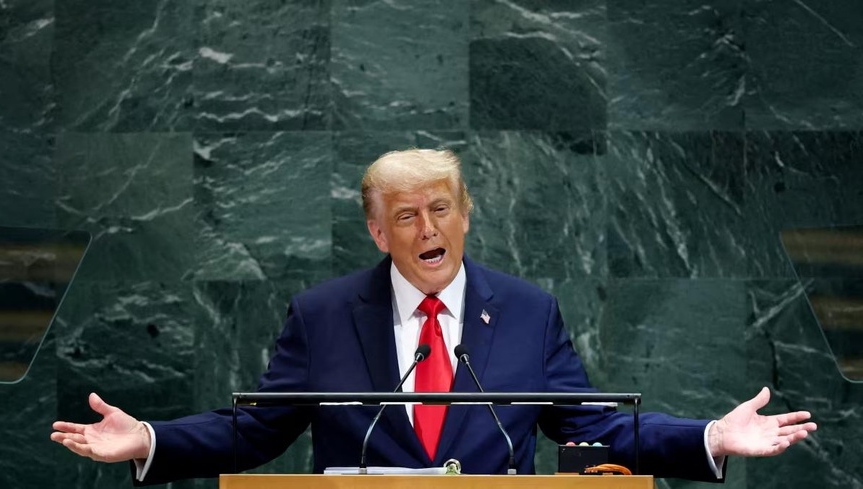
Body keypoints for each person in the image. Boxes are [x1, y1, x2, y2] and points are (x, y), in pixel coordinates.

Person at [51, 149, 817, 484]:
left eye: (441, 209)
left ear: (465, 216)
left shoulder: (525, 311)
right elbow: (254, 429)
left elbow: (596, 426)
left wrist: (710, 437)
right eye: (407, 215)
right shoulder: (322, 316)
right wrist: (148, 439)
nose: (428, 230)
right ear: (379, 232)